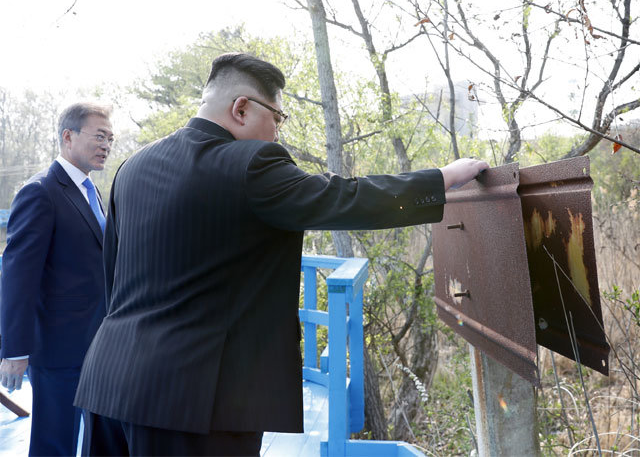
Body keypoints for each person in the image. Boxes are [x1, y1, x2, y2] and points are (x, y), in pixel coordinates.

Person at [74, 53, 488, 456]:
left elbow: (114, 276)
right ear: (241, 108)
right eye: (277, 117)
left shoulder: (132, 167)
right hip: (196, 404)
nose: (276, 133)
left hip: (109, 382)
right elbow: (344, 199)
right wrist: (441, 179)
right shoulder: (252, 163)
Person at [0, 102, 114, 456]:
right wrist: (15, 349)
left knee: (98, 438)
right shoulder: (41, 191)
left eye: (110, 138)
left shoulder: (92, 190)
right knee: (55, 443)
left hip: (99, 343)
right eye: (99, 136)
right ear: (68, 136)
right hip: (58, 348)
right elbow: (18, 276)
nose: (106, 145)